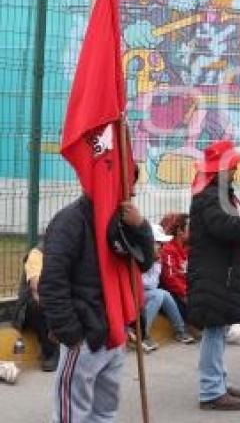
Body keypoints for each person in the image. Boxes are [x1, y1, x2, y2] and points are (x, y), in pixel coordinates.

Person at [40, 164, 155, 423]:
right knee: (72, 416)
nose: (133, 191)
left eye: (133, 184)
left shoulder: (123, 220)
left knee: (104, 414)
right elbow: (52, 282)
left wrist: (141, 227)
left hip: (115, 332)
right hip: (85, 336)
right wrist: (71, 334)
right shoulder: (70, 220)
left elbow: (144, 263)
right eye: (127, 183)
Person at [188, 140, 240, 411]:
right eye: (232, 166)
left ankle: (218, 383)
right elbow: (230, 228)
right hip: (213, 274)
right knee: (213, 331)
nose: (236, 170)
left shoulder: (214, 194)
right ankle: (211, 391)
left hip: (219, 272)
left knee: (218, 330)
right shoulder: (210, 197)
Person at [140, 225, 195, 351]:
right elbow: (142, 284)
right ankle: (142, 335)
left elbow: (152, 284)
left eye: (162, 244)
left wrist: (155, 263)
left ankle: (180, 331)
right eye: (158, 243)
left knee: (163, 294)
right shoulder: (139, 258)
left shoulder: (156, 260)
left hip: (147, 293)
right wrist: (152, 264)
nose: (161, 247)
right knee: (159, 294)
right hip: (133, 295)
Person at [12, 243, 59, 372]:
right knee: (39, 304)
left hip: (53, 302)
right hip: (28, 308)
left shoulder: (64, 256)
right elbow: (36, 288)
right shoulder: (37, 254)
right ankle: (51, 351)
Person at [159, 213, 190, 321]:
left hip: (189, 292)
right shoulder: (168, 250)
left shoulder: (190, 248)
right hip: (176, 295)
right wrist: (186, 295)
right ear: (179, 231)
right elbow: (171, 279)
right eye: (190, 228)